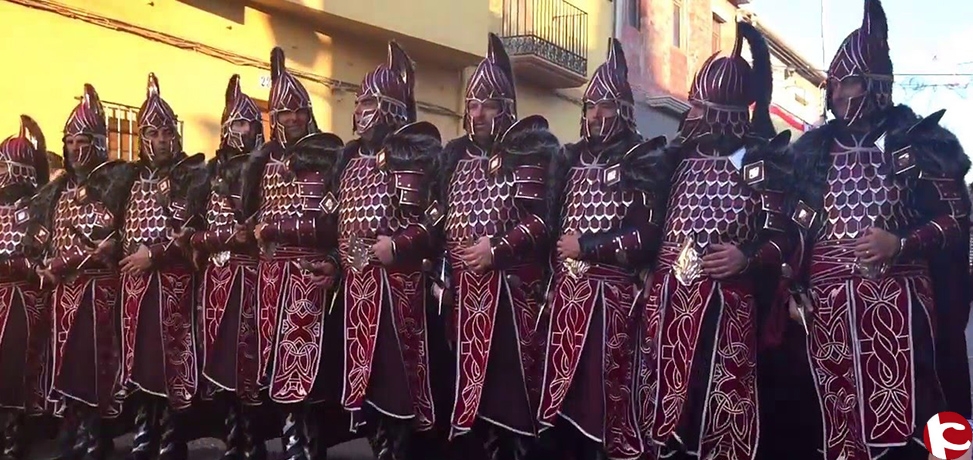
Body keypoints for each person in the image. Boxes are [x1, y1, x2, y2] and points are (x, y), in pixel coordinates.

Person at [787, 1, 970, 458]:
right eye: (833, 83)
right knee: (835, 425)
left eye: (847, 82)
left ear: (874, 84)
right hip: (827, 312)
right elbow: (796, 230)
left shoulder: (919, 142)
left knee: (919, 418)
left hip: (902, 310)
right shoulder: (811, 152)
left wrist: (902, 243)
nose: (836, 93)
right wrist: (794, 286)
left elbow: (954, 220)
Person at [636, 20, 794, 460]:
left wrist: (746, 257)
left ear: (721, 112)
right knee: (660, 400)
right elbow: (653, 224)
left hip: (725, 307)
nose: (692, 114)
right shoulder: (675, 159)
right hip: (667, 301)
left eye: (700, 107)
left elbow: (782, 235)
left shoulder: (757, 163)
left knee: (718, 408)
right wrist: (648, 270)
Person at [538, 39, 664, 460]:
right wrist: (551, 280)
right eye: (590, 106)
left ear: (623, 109)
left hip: (611, 300)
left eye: (605, 105)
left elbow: (645, 236)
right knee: (559, 398)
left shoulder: (640, 159)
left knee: (605, 398)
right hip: (565, 298)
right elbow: (553, 225)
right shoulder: (569, 159)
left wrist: (587, 247)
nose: (595, 115)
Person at [437, 33, 558, 459]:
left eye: (487, 105)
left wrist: (499, 249)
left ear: (504, 108)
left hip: (511, 296)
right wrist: (443, 276)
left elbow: (541, 221)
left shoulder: (527, 152)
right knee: (467, 396)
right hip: (463, 296)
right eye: (472, 105)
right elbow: (442, 221)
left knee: (511, 400)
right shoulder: (455, 157)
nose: (478, 114)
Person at [333, 40, 442, 460]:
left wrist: (397, 244)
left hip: (397, 291)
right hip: (355, 289)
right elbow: (336, 222)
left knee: (396, 385)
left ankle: (395, 451)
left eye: (369, 102)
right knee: (364, 384)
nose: (361, 110)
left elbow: (433, 219)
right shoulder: (350, 161)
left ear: (389, 108)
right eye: (359, 102)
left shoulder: (407, 157)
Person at [239, 46, 344, 460]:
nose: (294, 118)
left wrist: (279, 229)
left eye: (299, 111)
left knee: (306, 368)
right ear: (275, 118)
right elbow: (254, 216)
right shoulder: (262, 163)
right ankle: (290, 442)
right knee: (272, 367)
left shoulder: (328, 158)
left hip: (307, 274)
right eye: (284, 113)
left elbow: (333, 224)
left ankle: (308, 446)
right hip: (269, 279)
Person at [33, 83, 137, 460]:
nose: (76, 149)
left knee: (94, 364)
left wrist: (102, 249)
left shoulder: (115, 184)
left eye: (83, 142)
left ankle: (97, 435)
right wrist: (43, 264)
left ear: (98, 144)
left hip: (99, 290)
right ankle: (72, 429)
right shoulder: (57, 191)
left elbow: (116, 236)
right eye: (70, 142)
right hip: (63, 293)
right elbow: (46, 239)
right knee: (63, 362)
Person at [117, 73, 207, 460]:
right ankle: (143, 429)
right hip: (133, 285)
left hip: (173, 282)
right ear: (142, 137)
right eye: (152, 133)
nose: (161, 140)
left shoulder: (192, 174)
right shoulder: (128, 179)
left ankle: (173, 435)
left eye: (167, 132)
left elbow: (190, 228)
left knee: (171, 359)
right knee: (136, 357)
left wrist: (153, 255)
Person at [191, 74, 268, 460]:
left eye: (247, 124)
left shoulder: (268, 168)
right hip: (214, 282)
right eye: (235, 123)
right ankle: (230, 435)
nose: (241, 131)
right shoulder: (208, 174)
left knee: (247, 362)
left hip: (251, 279)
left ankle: (253, 438)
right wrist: (222, 239)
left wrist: (251, 236)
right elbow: (192, 233)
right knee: (216, 360)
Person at [0, 115, 51, 460]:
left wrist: (16, 266)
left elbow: (38, 257)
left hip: (23, 299)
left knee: (16, 367)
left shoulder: (37, 209)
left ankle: (15, 434)